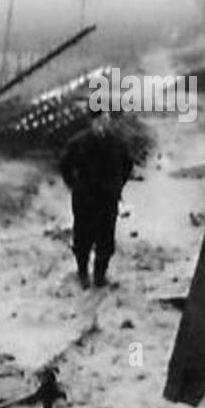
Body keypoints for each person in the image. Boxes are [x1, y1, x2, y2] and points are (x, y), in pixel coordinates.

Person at [59, 111, 134, 289]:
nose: (102, 125)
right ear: (92, 123)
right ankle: (83, 273)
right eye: (99, 121)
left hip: (108, 200)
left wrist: (117, 186)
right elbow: (65, 166)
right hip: (85, 199)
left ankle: (100, 275)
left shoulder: (117, 143)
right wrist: (74, 186)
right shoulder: (78, 143)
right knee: (82, 239)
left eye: (106, 121)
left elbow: (127, 166)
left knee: (106, 240)